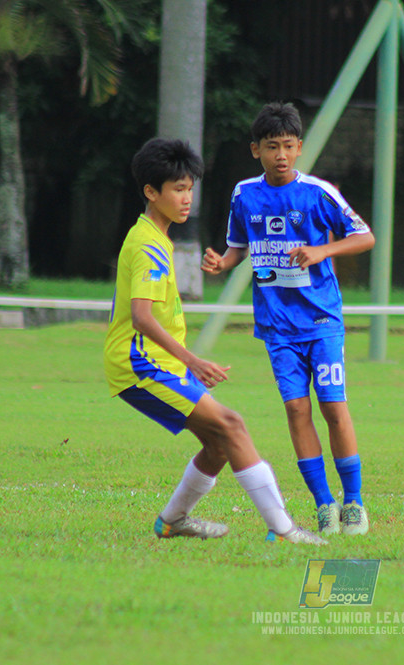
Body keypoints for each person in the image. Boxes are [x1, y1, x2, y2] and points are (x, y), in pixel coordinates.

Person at [104, 137, 325, 545]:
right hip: (140, 365)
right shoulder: (149, 243)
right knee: (232, 424)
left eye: (190, 189)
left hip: (152, 363)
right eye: (178, 190)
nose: (187, 199)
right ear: (151, 192)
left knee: (219, 444)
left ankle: (172, 521)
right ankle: (285, 530)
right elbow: (141, 316)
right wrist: (192, 360)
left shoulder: (153, 236)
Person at [202, 102, 375, 536]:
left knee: (333, 407)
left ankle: (353, 502)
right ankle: (324, 504)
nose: (280, 154)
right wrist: (223, 264)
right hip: (277, 327)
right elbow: (240, 246)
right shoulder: (244, 194)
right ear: (255, 149)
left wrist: (322, 251)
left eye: (288, 146)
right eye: (271, 146)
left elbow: (365, 236)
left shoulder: (317, 193)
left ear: (300, 148)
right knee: (297, 410)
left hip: (321, 321)